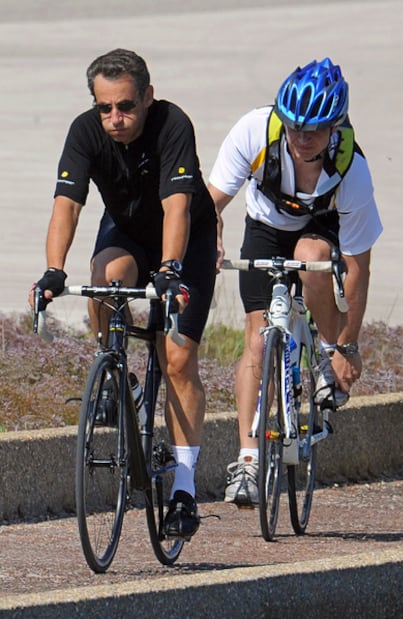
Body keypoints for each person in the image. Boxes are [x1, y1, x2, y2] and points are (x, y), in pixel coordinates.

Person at [30, 48, 217, 538]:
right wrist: (53, 270)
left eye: (126, 106)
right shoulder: (85, 130)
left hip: (185, 240)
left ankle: (183, 488)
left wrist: (171, 269)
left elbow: (177, 206)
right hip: (128, 229)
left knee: (176, 360)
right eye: (105, 107)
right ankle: (121, 381)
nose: (115, 118)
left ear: (147, 97)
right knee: (103, 277)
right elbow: (66, 206)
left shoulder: (173, 124)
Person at [208, 58, 383, 507]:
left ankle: (323, 354)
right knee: (258, 341)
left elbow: (359, 264)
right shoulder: (254, 131)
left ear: (336, 127)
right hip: (265, 226)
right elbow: (210, 204)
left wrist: (347, 344)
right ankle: (247, 461)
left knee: (312, 258)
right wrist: (215, 238)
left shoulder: (352, 169)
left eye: (316, 130)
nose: (302, 138)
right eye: (294, 127)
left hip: (319, 228)